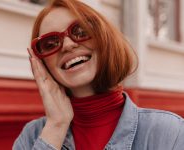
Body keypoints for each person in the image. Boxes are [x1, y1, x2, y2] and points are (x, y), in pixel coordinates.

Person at [13, 0, 184, 149]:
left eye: (80, 31)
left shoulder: (169, 132)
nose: (68, 45)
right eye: (50, 44)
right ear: (43, 64)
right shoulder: (32, 136)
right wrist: (56, 126)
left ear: (104, 38)